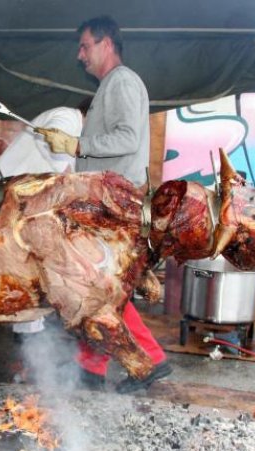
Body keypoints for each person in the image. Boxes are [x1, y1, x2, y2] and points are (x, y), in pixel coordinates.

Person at [38, 16, 171, 393]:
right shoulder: (110, 87)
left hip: (114, 204)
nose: (80, 55)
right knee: (93, 284)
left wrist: (79, 146)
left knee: (100, 286)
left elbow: (127, 138)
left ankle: (151, 358)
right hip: (107, 202)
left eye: (85, 46)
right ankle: (91, 365)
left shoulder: (122, 82)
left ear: (106, 44)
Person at [0, 101, 86, 338]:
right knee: (25, 265)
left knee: (28, 267)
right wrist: (66, 174)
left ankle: (29, 334)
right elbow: (51, 143)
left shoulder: (70, 120)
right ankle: (27, 336)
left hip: (18, 196)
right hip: (12, 196)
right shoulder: (68, 115)